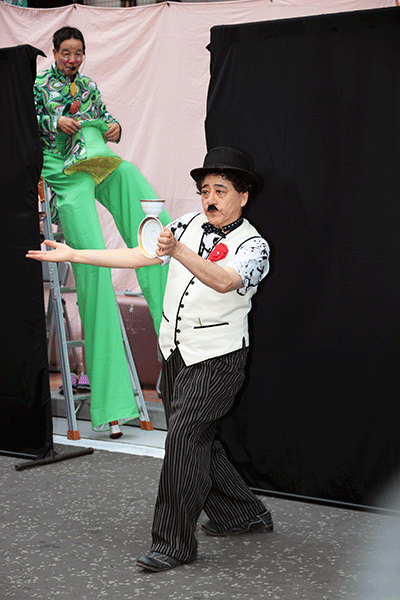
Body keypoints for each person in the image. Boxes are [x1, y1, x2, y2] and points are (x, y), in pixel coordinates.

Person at [27, 146, 273, 571]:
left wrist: (177, 251)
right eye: (205, 191)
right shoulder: (185, 225)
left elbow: (223, 281)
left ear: (243, 195)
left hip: (218, 359)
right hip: (176, 352)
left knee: (183, 440)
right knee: (194, 438)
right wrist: (75, 254)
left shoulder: (255, 246)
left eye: (221, 190)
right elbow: (139, 254)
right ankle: (242, 513)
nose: (210, 199)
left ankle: (173, 544)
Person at [34, 26, 170, 437]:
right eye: (66, 52)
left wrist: (115, 130)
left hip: (96, 159)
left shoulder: (89, 86)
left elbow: (107, 119)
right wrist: (53, 120)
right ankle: (111, 404)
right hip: (63, 171)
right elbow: (26, 126)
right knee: (93, 265)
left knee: (132, 179)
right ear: (54, 52)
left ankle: (178, 339)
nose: (72, 59)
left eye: (78, 52)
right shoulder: (38, 86)